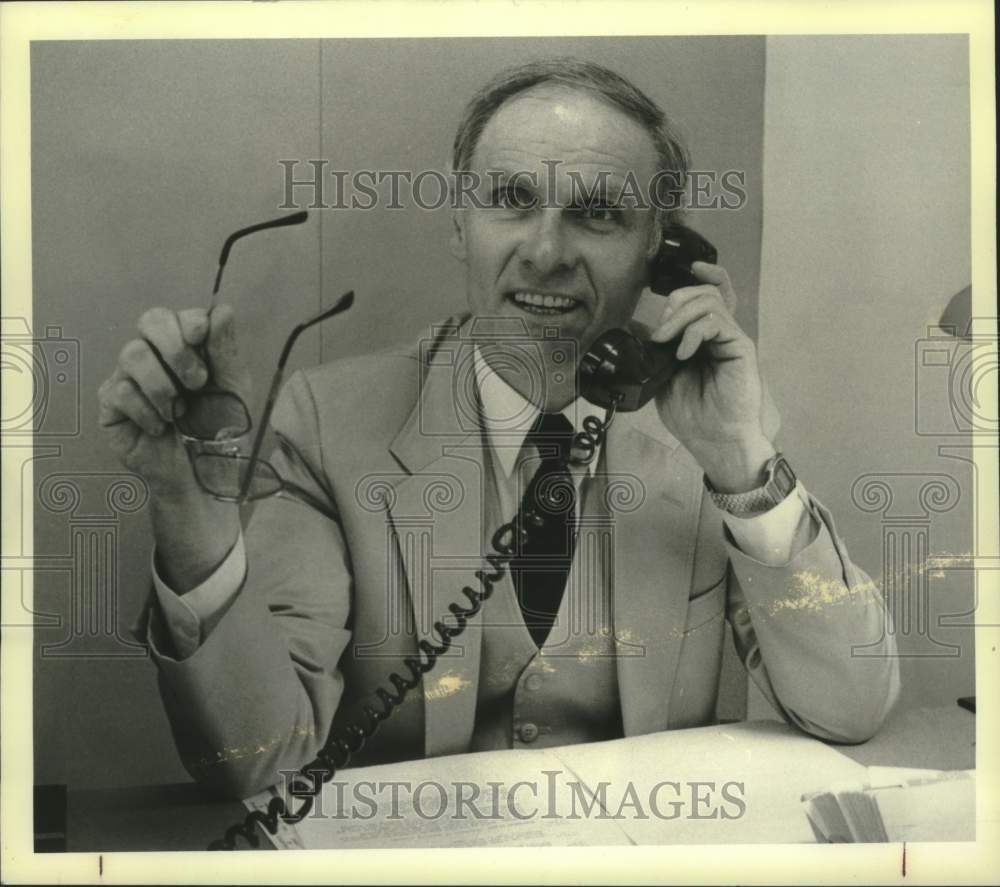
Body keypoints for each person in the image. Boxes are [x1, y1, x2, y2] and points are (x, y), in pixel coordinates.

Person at [98, 58, 900, 800]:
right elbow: (258, 759)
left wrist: (738, 463)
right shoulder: (325, 425)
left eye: (597, 215)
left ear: (664, 254)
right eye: (512, 201)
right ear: (460, 225)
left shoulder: (715, 427)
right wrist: (193, 517)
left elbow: (848, 707)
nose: (546, 251)